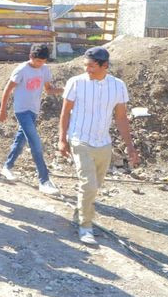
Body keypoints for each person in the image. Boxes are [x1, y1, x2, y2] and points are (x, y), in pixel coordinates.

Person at [58, 47, 139, 245]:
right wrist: (62, 139)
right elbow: (65, 113)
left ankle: (80, 212)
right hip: (79, 139)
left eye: (92, 67)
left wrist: (130, 147)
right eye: (85, 66)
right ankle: (85, 226)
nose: (88, 70)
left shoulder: (118, 86)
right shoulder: (75, 83)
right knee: (89, 184)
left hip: (103, 143)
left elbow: (121, 118)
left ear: (105, 66)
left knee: (95, 186)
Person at [0, 43, 63, 195]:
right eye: (37, 61)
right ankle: (44, 180)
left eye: (43, 61)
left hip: (34, 110)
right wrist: (2, 110)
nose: (40, 64)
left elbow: (48, 89)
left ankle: (7, 167)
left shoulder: (45, 69)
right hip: (22, 110)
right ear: (30, 57)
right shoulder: (21, 70)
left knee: (21, 140)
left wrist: (64, 90)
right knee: (35, 143)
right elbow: (8, 89)